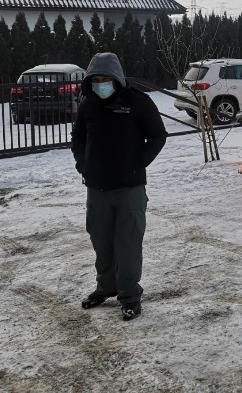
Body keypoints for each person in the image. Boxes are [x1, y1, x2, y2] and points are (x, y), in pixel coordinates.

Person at [71, 52, 167, 321]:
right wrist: (82, 163)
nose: (101, 84)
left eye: (106, 79)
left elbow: (158, 136)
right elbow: (77, 136)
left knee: (128, 243)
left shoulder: (138, 102)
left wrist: (138, 163)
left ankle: (130, 295)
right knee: (101, 241)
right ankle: (106, 287)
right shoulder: (88, 104)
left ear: (117, 78)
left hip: (129, 189)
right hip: (97, 188)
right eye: (96, 79)